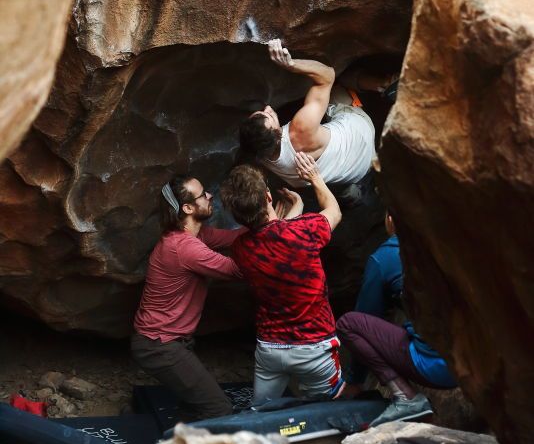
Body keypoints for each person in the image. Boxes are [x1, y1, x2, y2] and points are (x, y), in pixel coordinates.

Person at [220, 152, 345, 406]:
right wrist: (315, 177)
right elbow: (334, 211)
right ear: (268, 196)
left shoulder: (240, 248)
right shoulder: (304, 230)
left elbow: (271, 241)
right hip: (315, 348)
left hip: (271, 350)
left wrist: (288, 217)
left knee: (262, 412)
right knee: (326, 407)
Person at [131, 175, 244, 420]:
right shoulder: (184, 247)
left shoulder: (198, 235)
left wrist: (269, 223)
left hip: (170, 342)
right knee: (219, 408)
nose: (210, 196)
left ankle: (177, 443)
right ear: (188, 208)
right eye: (203, 195)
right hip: (159, 346)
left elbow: (237, 238)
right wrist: (279, 236)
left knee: (196, 405)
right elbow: (239, 270)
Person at [336, 212, 457, 427]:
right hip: (475, 361)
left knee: (349, 323)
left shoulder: (385, 257)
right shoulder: (451, 243)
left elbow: (366, 315)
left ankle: (405, 397)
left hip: (435, 367)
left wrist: (355, 380)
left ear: (390, 219)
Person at [238, 39, 384, 198]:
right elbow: (328, 75)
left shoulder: (259, 153)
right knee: (339, 83)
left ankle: (351, 196)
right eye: (269, 116)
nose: (268, 108)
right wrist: (291, 64)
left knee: (335, 183)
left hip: (353, 173)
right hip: (362, 138)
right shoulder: (300, 128)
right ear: (277, 134)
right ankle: (384, 83)